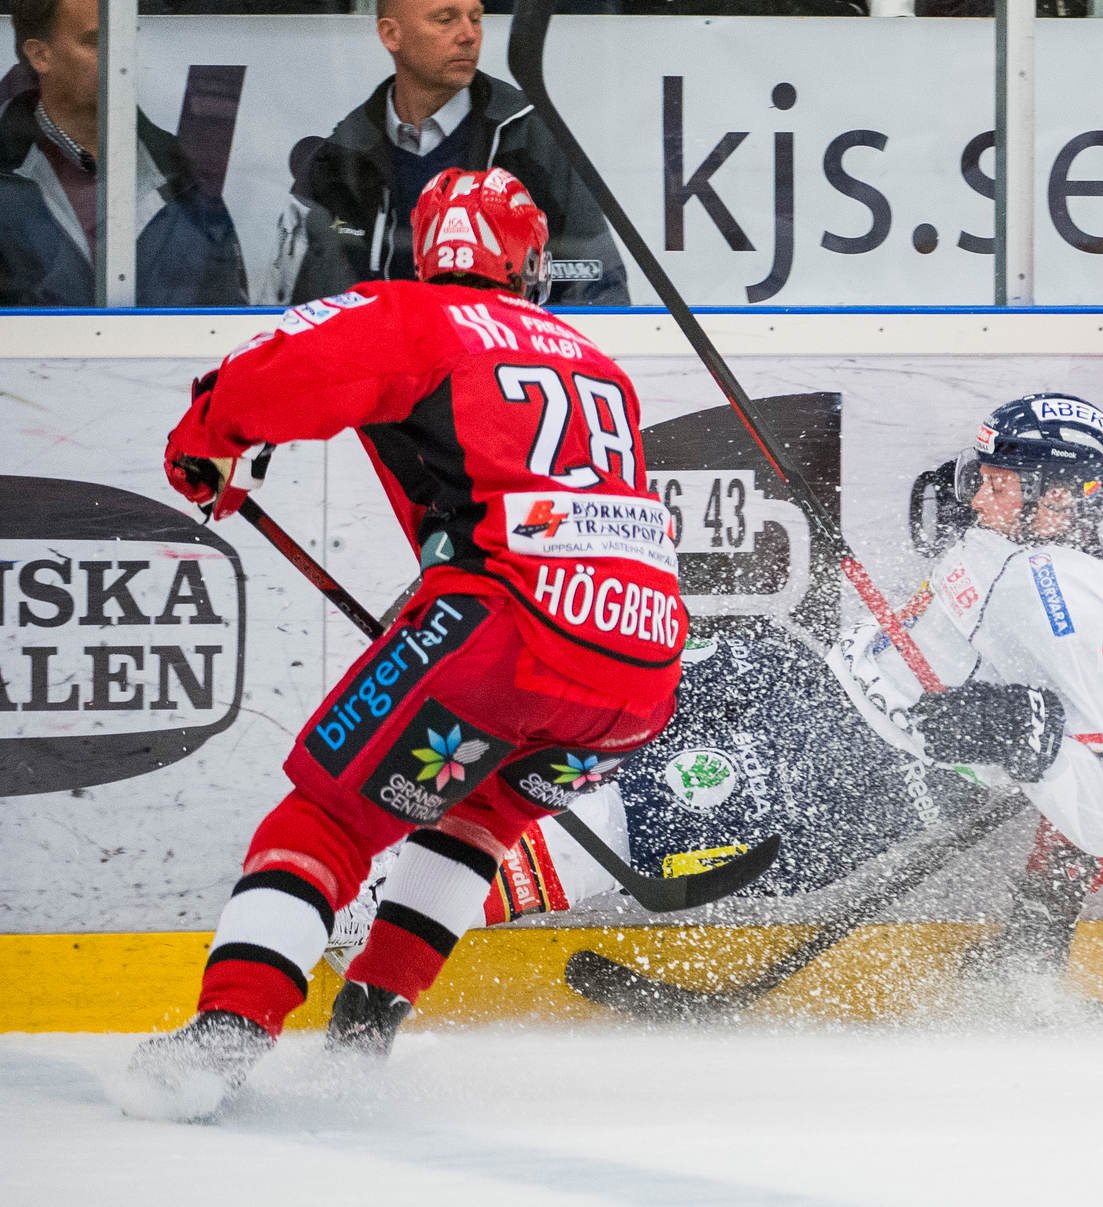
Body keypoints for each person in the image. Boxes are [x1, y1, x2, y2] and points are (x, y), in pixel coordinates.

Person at [119, 166, 683, 1121]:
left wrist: (207, 435)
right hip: (638, 675)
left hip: (505, 637)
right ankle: (365, 1033)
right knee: (477, 818)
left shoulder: (416, 314)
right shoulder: (596, 360)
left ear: (427, 251)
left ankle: (228, 1032)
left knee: (331, 818)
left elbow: (280, 370)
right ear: (528, 259)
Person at [329, 395, 1103, 1003]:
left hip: (852, 785)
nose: (978, 498)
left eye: (1001, 484)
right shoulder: (1026, 528)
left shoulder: (1089, 609)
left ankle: (389, 914)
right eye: (982, 477)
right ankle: (397, 834)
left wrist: (1032, 737)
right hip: (801, 684)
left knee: (636, 813)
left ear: (1067, 498)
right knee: (592, 709)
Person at [268, 0, 629, 307]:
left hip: (501, 374)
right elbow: (289, 316)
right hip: (384, 383)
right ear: (391, 35)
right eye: (445, 19)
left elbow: (599, 290)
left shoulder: (531, 140)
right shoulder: (337, 161)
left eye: (476, 18)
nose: (469, 35)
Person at [0, 0, 248, 307]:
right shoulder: (8, 175)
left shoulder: (180, 174)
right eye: (95, 41)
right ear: (40, 55)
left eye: (125, 36)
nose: (119, 55)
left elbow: (227, 321)